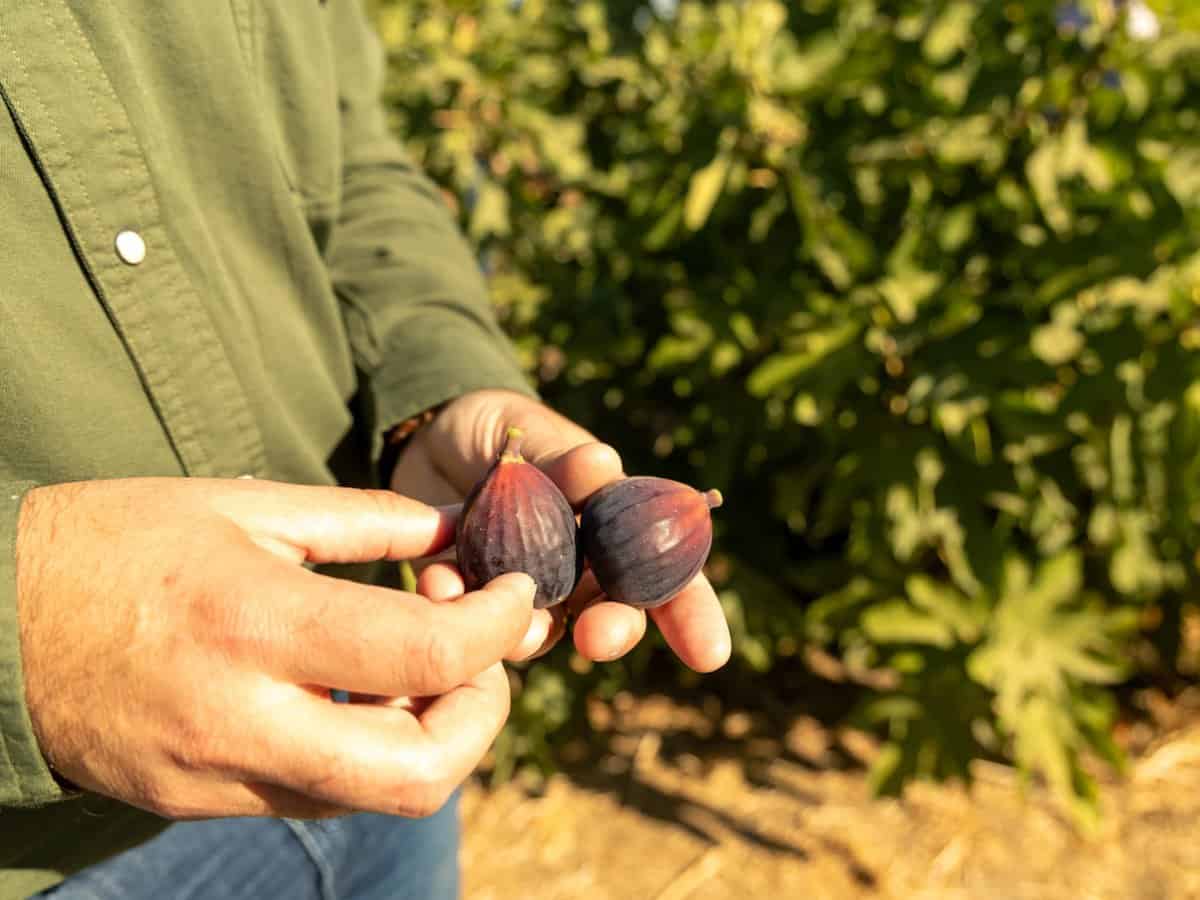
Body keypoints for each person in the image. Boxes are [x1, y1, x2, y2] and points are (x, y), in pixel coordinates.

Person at [0, 2, 730, 898]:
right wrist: (26, 620)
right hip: (43, 854)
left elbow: (347, 158)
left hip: (374, 720)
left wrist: (426, 395)